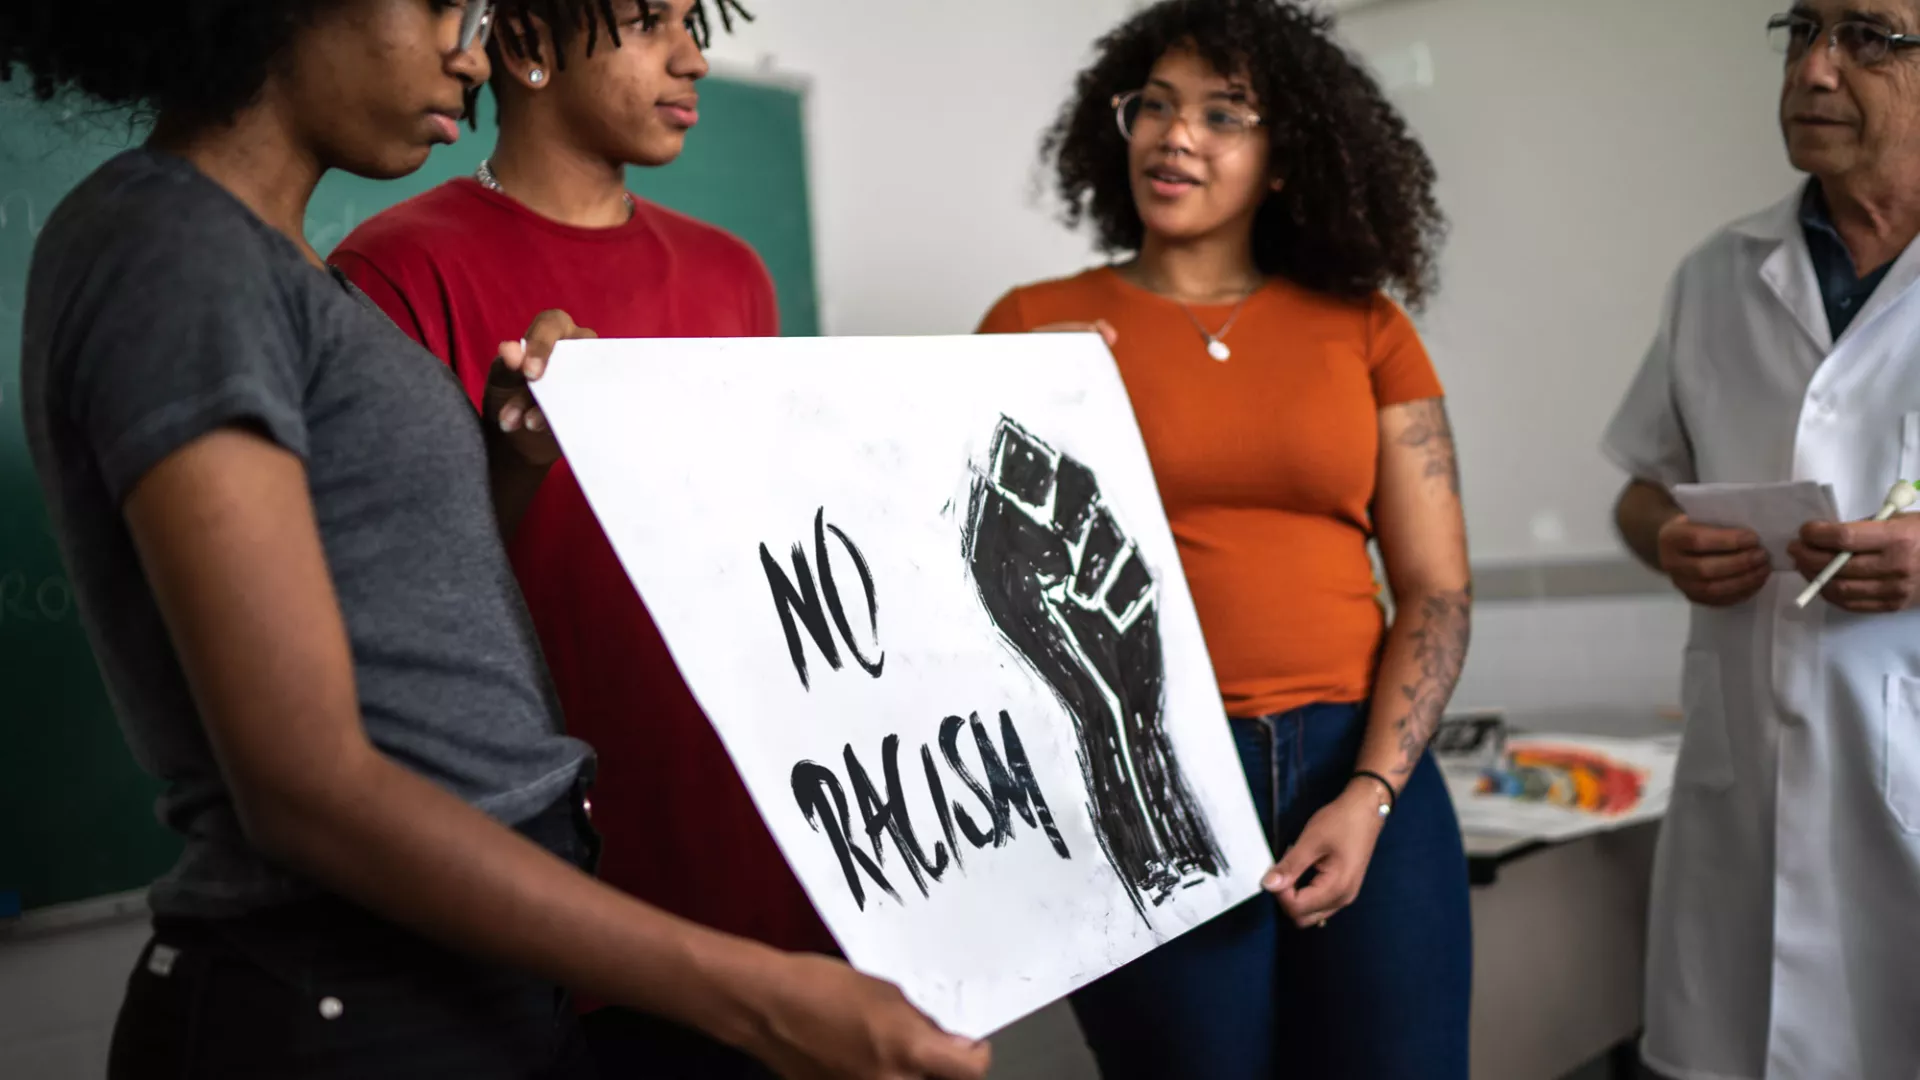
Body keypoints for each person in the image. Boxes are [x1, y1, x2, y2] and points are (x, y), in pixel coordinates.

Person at [1, 3, 992, 1078]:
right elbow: (303, 785)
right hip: (341, 1001)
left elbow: (412, 611)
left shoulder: (277, 268)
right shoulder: (179, 249)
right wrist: (754, 997)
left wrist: (511, 458)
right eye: (445, 6)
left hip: (445, 981)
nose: (469, 54)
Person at [326, 1, 828, 1072]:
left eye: (695, 23)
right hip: (547, 871)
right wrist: (514, 450)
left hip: (762, 837)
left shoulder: (734, 273)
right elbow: (391, 606)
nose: (694, 57)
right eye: (652, 22)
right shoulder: (394, 273)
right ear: (527, 47)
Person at [975, 1, 1473, 1077]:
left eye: (1222, 113)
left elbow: (1435, 588)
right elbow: (964, 574)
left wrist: (1371, 791)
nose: (1176, 134)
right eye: (1152, 105)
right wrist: (1020, 401)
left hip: (1361, 762)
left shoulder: (1366, 327)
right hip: (1142, 773)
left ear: (1286, 156)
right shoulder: (1032, 326)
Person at [1604, 4, 1920, 1078]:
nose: (1818, 70)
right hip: (1745, 806)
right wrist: (1672, 540)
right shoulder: (1716, 276)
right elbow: (1642, 493)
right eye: (1803, 30)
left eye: (1870, 38)